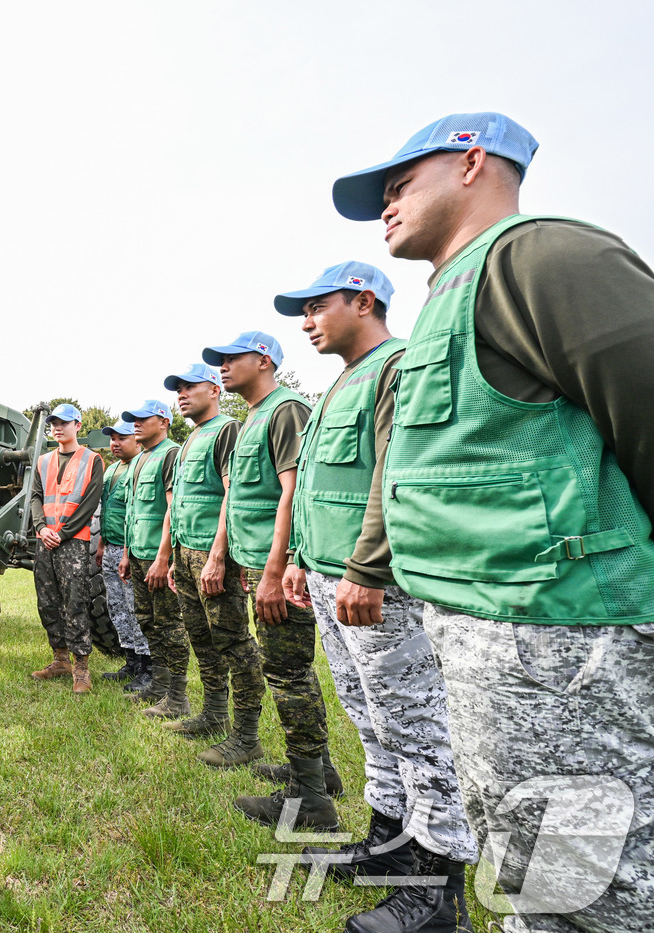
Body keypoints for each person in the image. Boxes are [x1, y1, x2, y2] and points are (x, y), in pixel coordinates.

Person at [334, 112, 654, 933]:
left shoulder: (541, 258)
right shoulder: (452, 297)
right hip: (493, 642)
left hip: (568, 641)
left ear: (473, 163)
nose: (387, 207)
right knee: (530, 881)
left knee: (592, 896)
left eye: (401, 184)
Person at [275, 262, 479, 933]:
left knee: (419, 729)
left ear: (363, 301)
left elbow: (394, 473)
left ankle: (436, 892)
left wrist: (365, 565)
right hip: (336, 578)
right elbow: (319, 486)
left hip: (376, 584)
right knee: (373, 719)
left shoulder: (395, 364)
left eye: (315, 307)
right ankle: (386, 842)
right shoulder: (340, 382)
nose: (306, 322)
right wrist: (306, 559)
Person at [201, 331, 336, 830]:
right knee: (288, 668)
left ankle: (312, 799)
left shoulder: (286, 410)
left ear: (263, 361)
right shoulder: (252, 418)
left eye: (231, 358)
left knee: (288, 672)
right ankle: (320, 771)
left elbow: (293, 492)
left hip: (273, 566)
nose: (222, 367)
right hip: (255, 560)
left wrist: (276, 572)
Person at [158, 365, 247, 741]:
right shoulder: (192, 437)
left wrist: (217, 555)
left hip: (211, 553)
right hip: (185, 552)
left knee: (231, 641)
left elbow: (232, 493)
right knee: (201, 638)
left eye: (190, 386)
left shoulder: (226, 429)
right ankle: (213, 713)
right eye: (177, 388)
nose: (181, 393)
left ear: (214, 390)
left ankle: (246, 732)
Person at [115, 400, 190, 719]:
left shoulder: (170, 453)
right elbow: (134, 512)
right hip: (138, 555)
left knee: (170, 625)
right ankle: (158, 685)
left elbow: (173, 509)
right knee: (147, 620)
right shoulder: (139, 459)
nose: (136, 424)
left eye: (143, 419)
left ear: (164, 422)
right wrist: (128, 555)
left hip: (158, 557)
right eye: (133, 419)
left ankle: (177, 695)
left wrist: (163, 558)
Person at [28, 403, 103, 694]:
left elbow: (89, 502)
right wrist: (42, 528)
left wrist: (62, 533)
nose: (58, 427)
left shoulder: (92, 459)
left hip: (73, 541)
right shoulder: (43, 461)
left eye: (64, 422)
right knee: (47, 601)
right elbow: (35, 497)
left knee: (75, 602)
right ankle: (59, 659)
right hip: (45, 540)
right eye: (54, 423)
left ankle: (81, 666)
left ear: (78, 426)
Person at [94, 420, 152, 690]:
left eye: (122, 438)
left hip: (131, 550)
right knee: (117, 609)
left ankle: (147, 668)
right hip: (110, 548)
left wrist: (126, 552)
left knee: (135, 608)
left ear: (137, 440)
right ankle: (130, 662)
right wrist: (102, 544)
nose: (115, 443)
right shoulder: (112, 470)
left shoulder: (141, 466)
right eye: (112, 438)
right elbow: (107, 510)